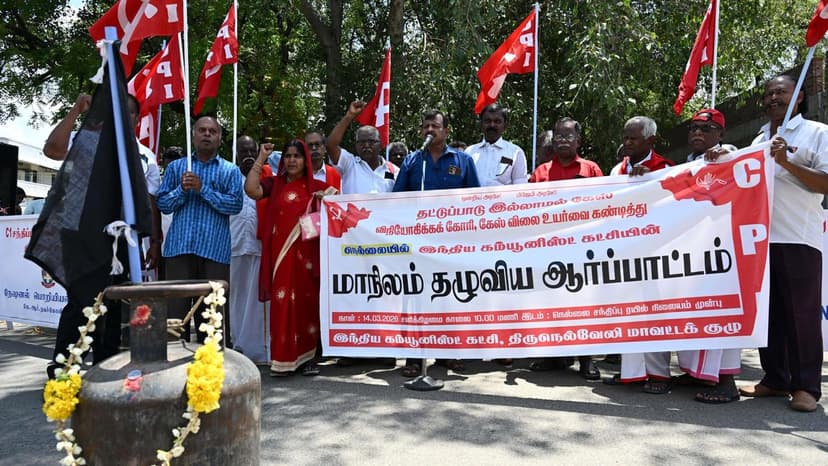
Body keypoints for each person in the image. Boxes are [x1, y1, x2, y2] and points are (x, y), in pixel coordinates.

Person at [728, 75, 828, 412]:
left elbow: (826, 184)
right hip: (759, 239)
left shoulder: (817, 133)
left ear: (798, 97)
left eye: (781, 92)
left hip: (798, 237)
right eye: (768, 93)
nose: (773, 98)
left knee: (802, 316)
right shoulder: (759, 139)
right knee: (769, 315)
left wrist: (786, 161)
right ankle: (775, 378)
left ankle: (806, 387)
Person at [393, 109, 481, 377]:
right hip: (417, 244)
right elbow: (395, 200)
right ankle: (414, 358)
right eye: (426, 126)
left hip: (451, 244)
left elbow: (475, 201)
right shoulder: (412, 161)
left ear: (446, 131)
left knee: (449, 298)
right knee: (416, 298)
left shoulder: (463, 161)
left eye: (435, 126)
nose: (430, 130)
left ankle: (448, 353)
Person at [244, 139, 335, 376]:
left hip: (308, 258)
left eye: (297, 156)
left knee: (307, 304)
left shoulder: (318, 187)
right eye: (288, 156)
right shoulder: (275, 184)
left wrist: (325, 202)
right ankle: (282, 359)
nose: (292, 160)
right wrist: (261, 157)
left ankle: (308, 359)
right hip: (281, 256)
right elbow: (251, 190)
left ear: (306, 160)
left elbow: (338, 215)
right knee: (282, 302)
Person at [157, 115, 243, 344]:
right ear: (193, 135)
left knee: (213, 317)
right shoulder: (177, 168)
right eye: (202, 130)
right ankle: (173, 361)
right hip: (179, 249)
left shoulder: (230, 170)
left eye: (212, 131)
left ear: (220, 138)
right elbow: (163, 204)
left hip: (214, 251)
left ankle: (213, 362)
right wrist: (181, 190)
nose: (207, 134)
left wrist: (203, 189)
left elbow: (235, 205)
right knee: (175, 317)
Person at [528, 117, 602, 380]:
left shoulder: (591, 170)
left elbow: (603, 207)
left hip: (582, 250)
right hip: (548, 251)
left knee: (583, 306)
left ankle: (587, 361)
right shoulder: (541, 173)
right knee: (551, 304)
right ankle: (552, 357)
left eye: (568, 136)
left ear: (578, 141)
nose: (562, 141)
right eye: (558, 136)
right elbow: (527, 211)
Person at [228, 135, 269, 363]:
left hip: (259, 247)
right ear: (236, 154)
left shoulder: (266, 177)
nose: (249, 156)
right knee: (236, 300)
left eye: (252, 151)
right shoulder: (228, 177)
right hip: (233, 246)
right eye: (243, 152)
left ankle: (260, 349)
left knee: (257, 303)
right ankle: (238, 347)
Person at [326, 100, 398, 194]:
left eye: (371, 142)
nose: (366, 146)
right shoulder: (349, 164)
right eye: (362, 142)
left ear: (380, 145)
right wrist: (349, 116)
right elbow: (331, 145)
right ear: (356, 145)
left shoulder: (394, 171)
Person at [467, 104, 528, 187]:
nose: (492, 125)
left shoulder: (516, 153)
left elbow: (520, 187)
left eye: (497, 121)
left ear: (505, 125)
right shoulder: (469, 152)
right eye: (487, 121)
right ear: (481, 124)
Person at [610, 116, 675, 176]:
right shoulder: (616, 171)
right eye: (626, 138)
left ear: (650, 140)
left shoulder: (664, 169)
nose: (627, 143)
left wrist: (650, 177)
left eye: (633, 138)